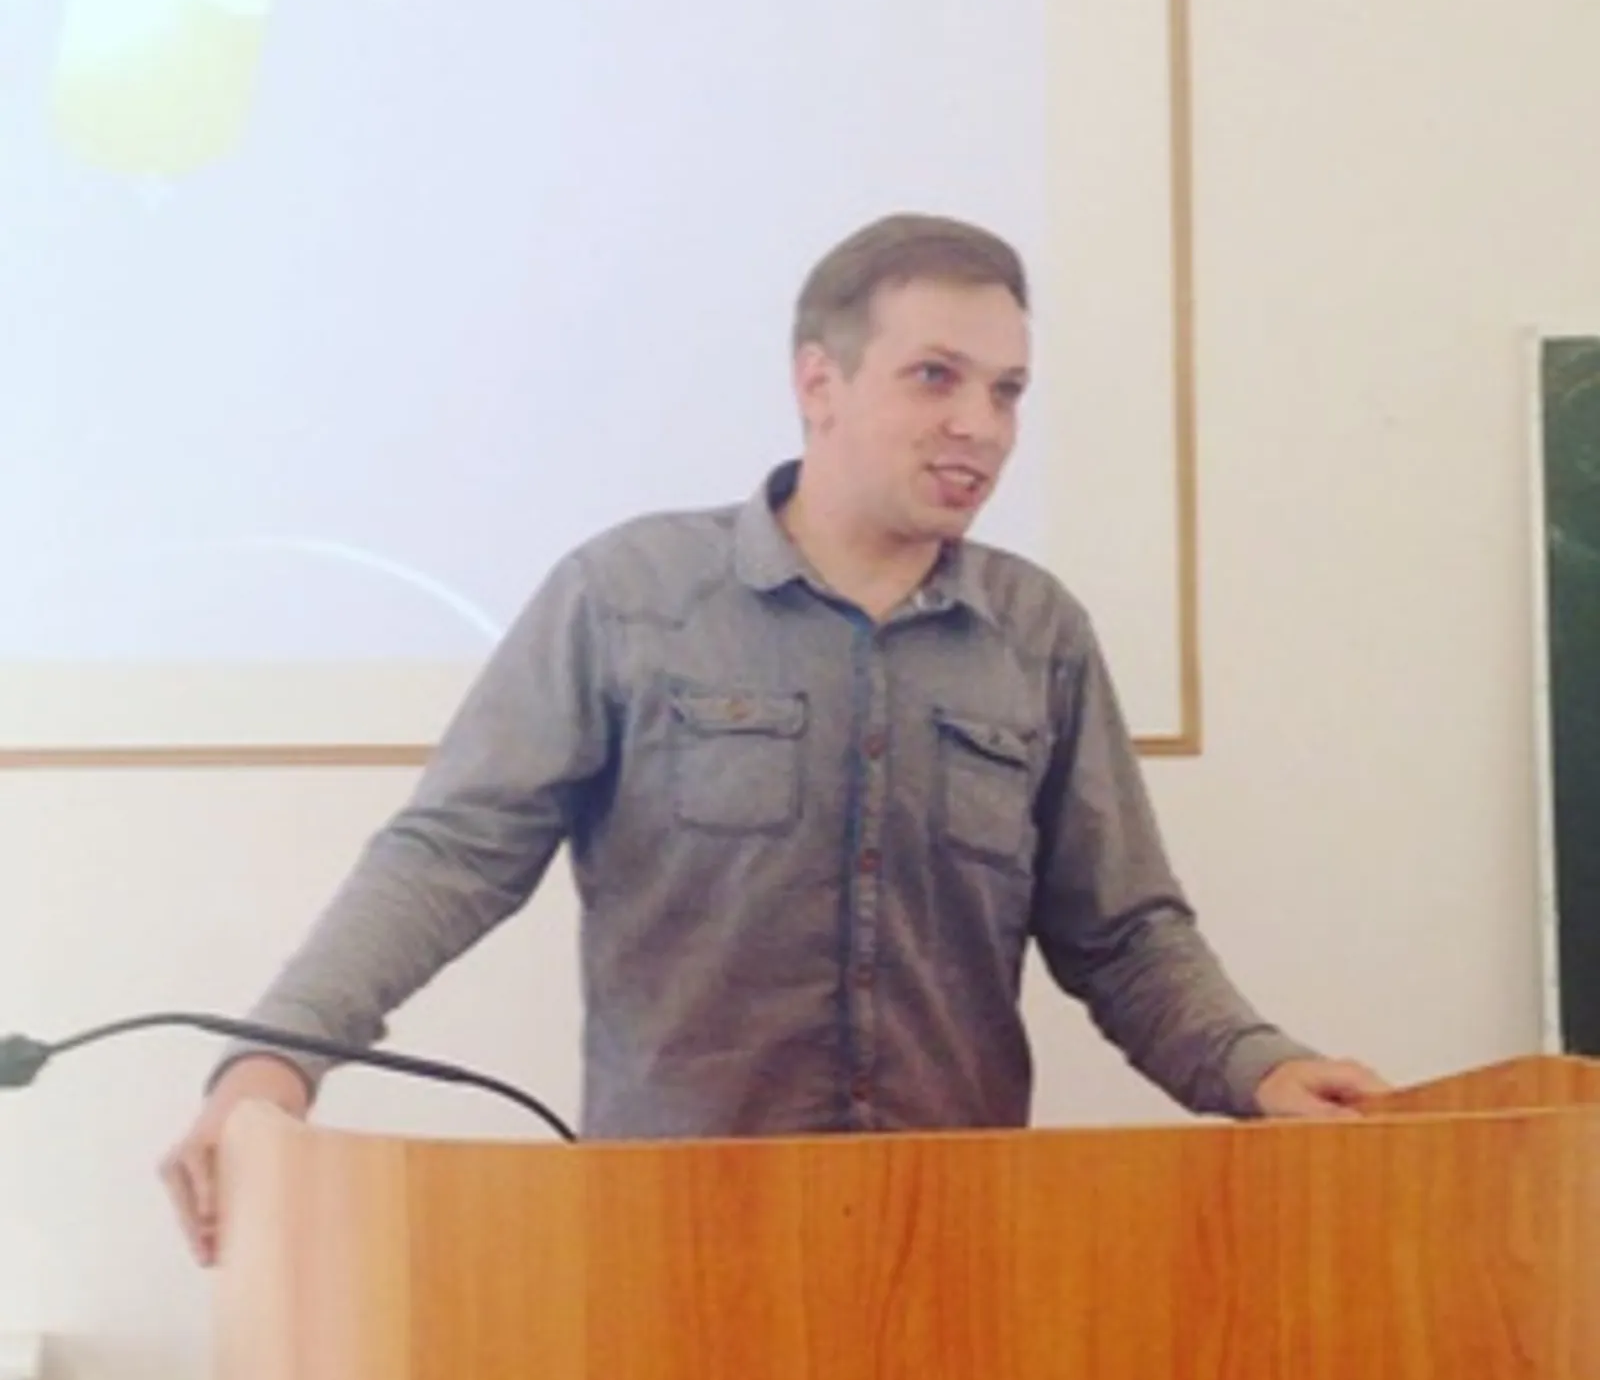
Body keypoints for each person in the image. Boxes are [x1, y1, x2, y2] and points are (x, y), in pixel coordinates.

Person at [160, 212, 1389, 1264]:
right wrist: (275, 1061)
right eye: (936, 377)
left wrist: (1256, 1065)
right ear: (818, 383)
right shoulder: (628, 597)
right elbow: (449, 855)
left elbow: (1121, 933)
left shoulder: (1037, 635)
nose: (981, 424)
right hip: (671, 1248)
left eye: (1007, 390)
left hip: (945, 1245)